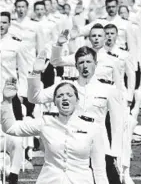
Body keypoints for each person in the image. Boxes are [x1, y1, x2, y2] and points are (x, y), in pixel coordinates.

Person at [27, 45, 124, 183]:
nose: (85, 66)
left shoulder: (108, 89)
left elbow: (117, 124)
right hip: (76, 145)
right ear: (76, 65)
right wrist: (36, 73)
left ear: (96, 64)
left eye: (89, 62)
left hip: (101, 145)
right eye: (81, 62)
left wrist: (116, 153)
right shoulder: (66, 87)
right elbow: (35, 98)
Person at [1, 79, 109, 184]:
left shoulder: (92, 127)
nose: (65, 98)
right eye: (59, 96)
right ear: (54, 102)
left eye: (69, 95)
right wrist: (6, 101)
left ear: (77, 101)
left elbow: (99, 170)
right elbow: (10, 128)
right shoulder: (45, 122)